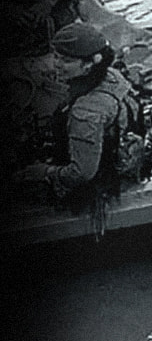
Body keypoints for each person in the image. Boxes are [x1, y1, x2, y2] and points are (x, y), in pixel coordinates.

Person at [11, 22, 140, 211]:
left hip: (96, 182)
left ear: (89, 64)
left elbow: (81, 173)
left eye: (66, 61)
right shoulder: (112, 75)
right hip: (116, 154)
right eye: (56, 57)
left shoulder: (87, 111)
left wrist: (45, 172)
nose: (56, 65)